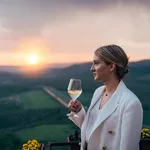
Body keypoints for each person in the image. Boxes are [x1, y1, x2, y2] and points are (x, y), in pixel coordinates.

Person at [68, 44, 143, 150]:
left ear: (112, 66)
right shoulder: (98, 92)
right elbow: (94, 130)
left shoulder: (131, 103)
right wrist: (79, 111)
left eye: (96, 63)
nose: (91, 68)